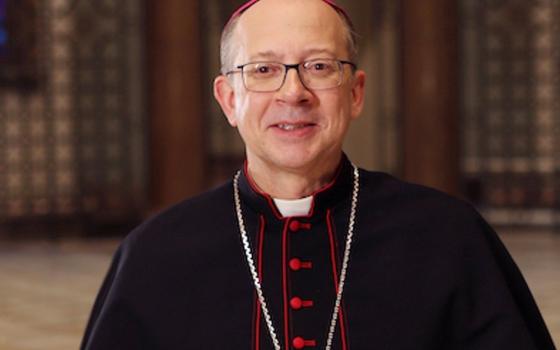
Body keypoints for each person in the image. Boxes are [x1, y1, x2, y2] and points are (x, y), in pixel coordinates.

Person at [81, 0, 556, 349]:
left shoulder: (449, 237)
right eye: (264, 69)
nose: (294, 92)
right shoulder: (155, 254)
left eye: (319, 66)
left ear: (355, 93)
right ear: (229, 99)